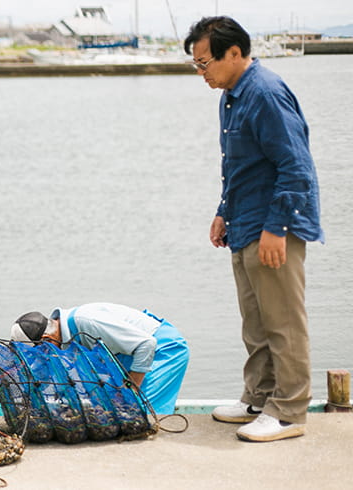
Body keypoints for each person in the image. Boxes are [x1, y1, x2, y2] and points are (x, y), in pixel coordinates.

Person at [183, 17, 324, 442]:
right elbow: (240, 167)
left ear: (234, 53)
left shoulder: (265, 92)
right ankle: (259, 398)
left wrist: (278, 228)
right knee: (255, 321)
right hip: (244, 222)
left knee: (283, 321)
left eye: (205, 63)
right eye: (196, 65)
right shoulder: (230, 96)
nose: (201, 73)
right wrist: (222, 211)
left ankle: (289, 411)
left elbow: (295, 165)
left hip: (272, 224)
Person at [9, 303, 189, 416]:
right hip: (127, 355)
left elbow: (147, 344)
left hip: (163, 348)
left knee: (140, 413)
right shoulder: (59, 334)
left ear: (46, 340)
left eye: (38, 351)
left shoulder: (86, 322)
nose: (42, 357)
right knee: (115, 409)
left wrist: (130, 391)